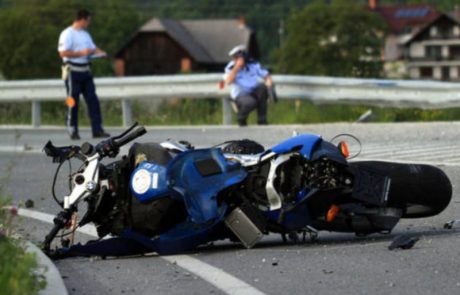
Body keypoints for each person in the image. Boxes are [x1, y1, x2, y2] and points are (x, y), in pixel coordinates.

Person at [58, 9, 110, 140]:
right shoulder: (67, 34)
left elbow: (92, 48)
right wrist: (82, 53)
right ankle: (72, 129)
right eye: (88, 20)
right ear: (82, 19)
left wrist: (100, 52)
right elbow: (63, 53)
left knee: (93, 100)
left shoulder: (85, 34)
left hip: (85, 71)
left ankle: (97, 129)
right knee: (72, 101)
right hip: (72, 71)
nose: (89, 23)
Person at [224, 45, 273, 126]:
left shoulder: (252, 65)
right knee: (250, 102)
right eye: (235, 58)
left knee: (262, 87)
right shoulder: (231, 67)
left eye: (238, 58)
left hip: (253, 92)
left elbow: (266, 75)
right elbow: (228, 81)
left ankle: (262, 119)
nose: (235, 60)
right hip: (240, 95)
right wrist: (237, 67)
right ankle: (241, 118)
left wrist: (269, 82)